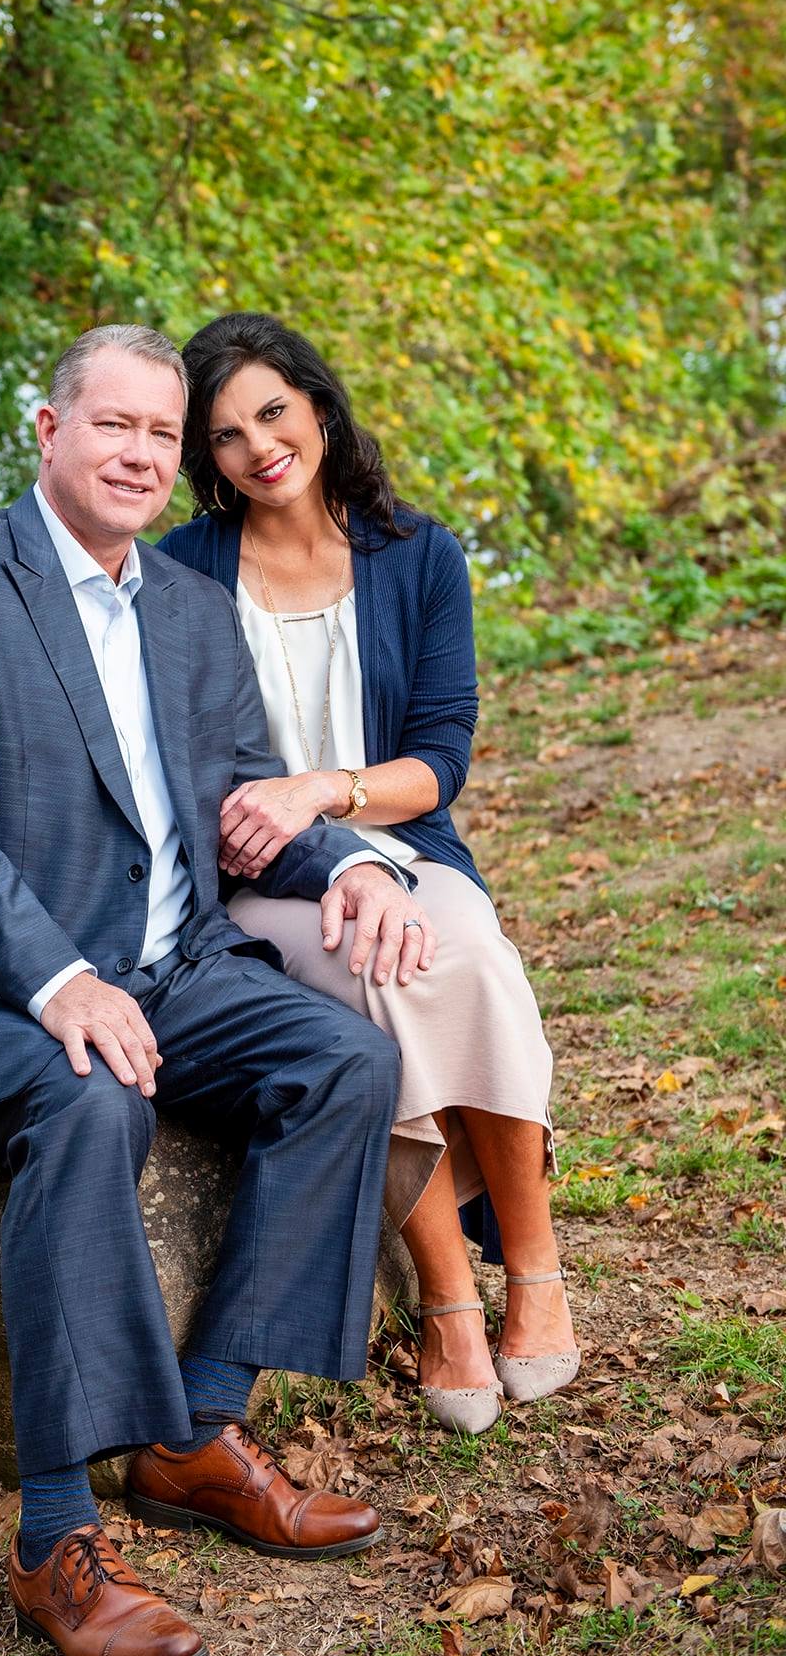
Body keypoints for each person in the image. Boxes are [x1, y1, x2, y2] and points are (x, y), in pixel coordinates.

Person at [0, 324, 425, 1656]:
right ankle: (54, 1530)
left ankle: (196, 1433)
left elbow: (246, 800)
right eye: (112, 425)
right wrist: (59, 980)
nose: (139, 454)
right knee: (88, 1101)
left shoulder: (188, 609)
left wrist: (353, 864)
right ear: (50, 430)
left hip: (177, 970)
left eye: (162, 437)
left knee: (349, 1062)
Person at [159, 312, 580, 1438]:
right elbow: (185, 765)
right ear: (208, 461)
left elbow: (440, 760)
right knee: (370, 977)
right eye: (227, 435)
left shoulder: (419, 554)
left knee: (471, 954)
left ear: (319, 406)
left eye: (272, 413)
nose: (258, 447)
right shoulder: (181, 576)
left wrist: (326, 791)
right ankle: (448, 1295)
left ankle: (533, 1271)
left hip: (403, 844)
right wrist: (299, 833)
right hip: (262, 880)